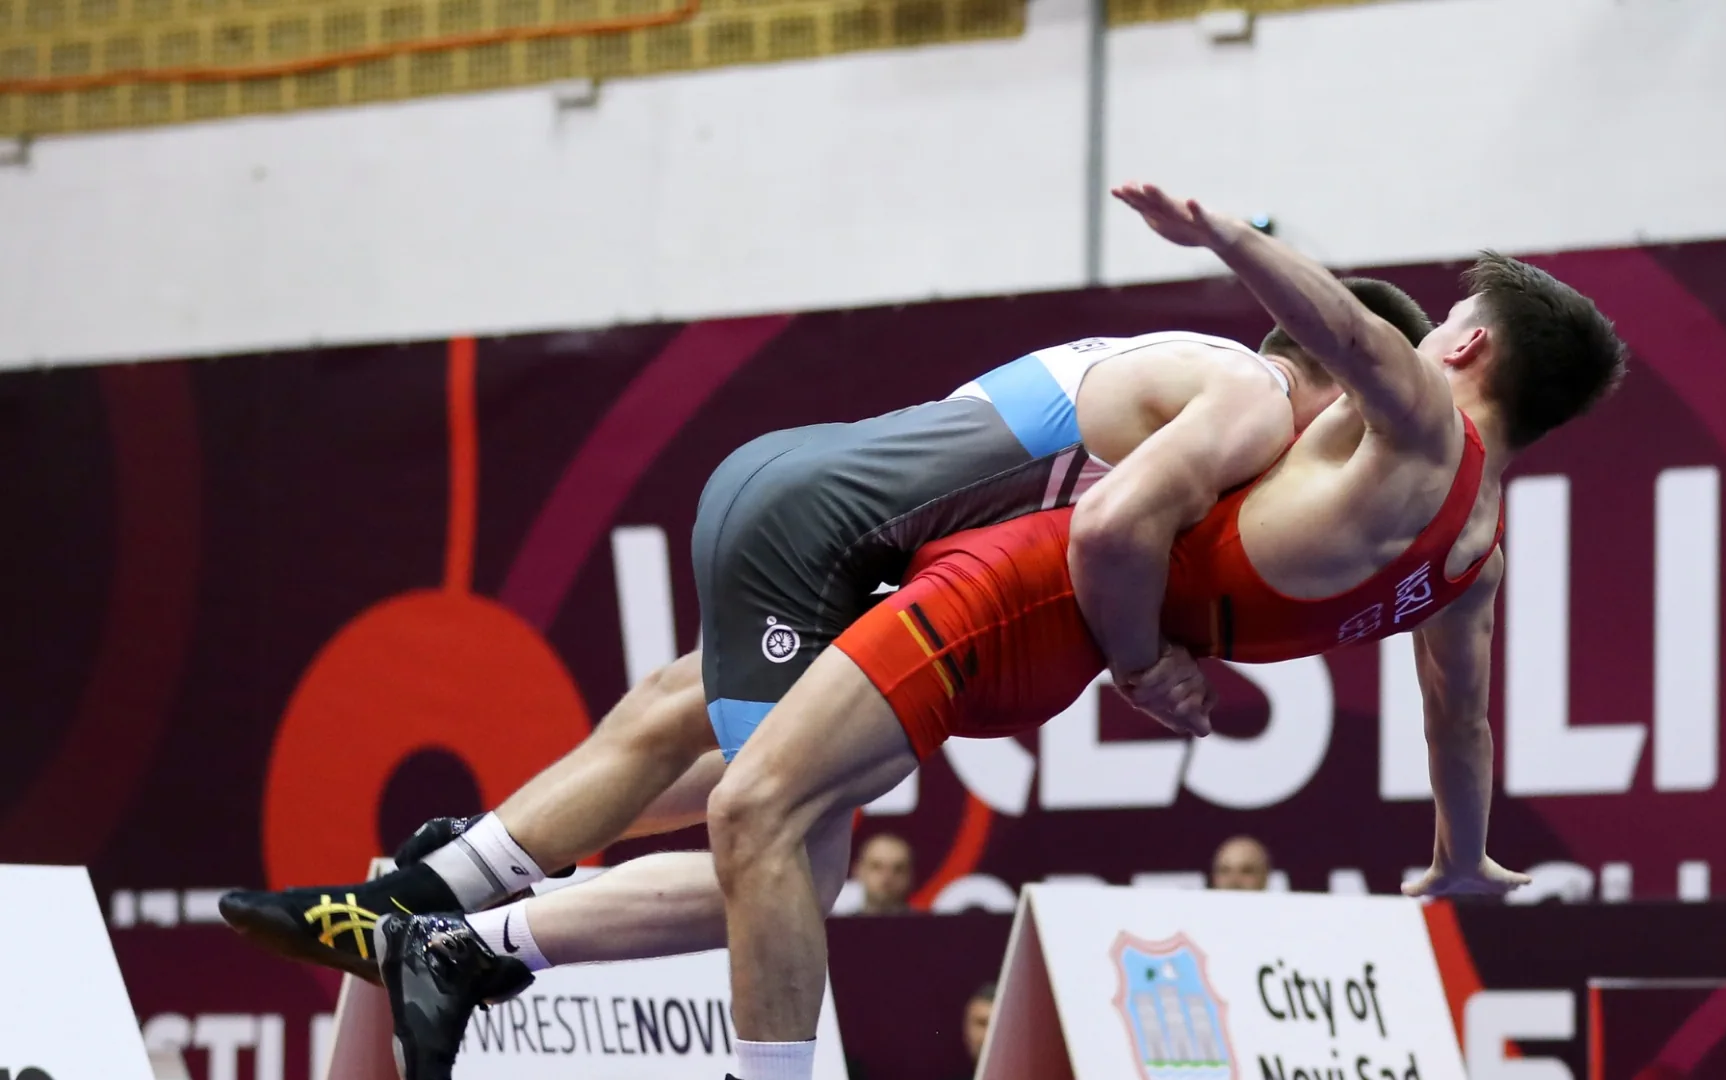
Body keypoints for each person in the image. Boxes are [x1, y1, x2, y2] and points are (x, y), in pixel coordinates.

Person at [362, 265, 1452, 1079]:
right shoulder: (1250, 402)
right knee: (778, 835)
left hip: (854, 532)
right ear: (1350, 385)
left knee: (690, 726)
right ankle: (461, 915)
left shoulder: (1160, 364)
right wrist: (1140, 666)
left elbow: (988, 477)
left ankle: (462, 879)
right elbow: (1105, 530)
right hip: (838, 542)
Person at [693, 181, 1626, 1080]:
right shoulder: (1476, 561)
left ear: (1465, 349)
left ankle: (547, 913)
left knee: (757, 808)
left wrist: (1229, 240)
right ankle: (536, 906)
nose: (1430, 333)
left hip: (1019, 595)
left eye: (1451, 317)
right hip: (1058, 655)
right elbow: (1458, 723)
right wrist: (1460, 857)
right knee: (741, 776)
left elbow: (1344, 328)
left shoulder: (1421, 425)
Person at [850, 833, 915, 915]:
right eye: (876, 867)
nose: (887, 878)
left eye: (898, 869)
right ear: (858, 871)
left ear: (910, 875)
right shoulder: (837, 926)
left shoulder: (929, 926)